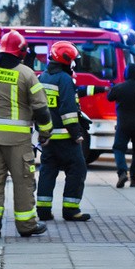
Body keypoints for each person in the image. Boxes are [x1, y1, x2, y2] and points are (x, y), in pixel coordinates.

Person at [0, 29, 51, 239]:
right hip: (17, 140)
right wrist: (45, 132)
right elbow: (41, 108)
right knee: (23, 181)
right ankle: (26, 226)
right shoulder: (26, 74)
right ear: (21, 52)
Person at [35, 41, 92, 222]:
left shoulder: (42, 77)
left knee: (48, 171)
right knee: (77, 168)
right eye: (74, 60)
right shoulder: (65, 79)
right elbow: (68, 110)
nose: (75, 64)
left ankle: (43, 210)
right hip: (66, 137)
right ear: (67, 60)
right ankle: (71, 209)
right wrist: (76, 134)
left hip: (48, 137)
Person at [107, 63, 135, 188]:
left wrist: (113, 87)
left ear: (126, 73)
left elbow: (109, 97)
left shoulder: (120, 87)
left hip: (123, 124)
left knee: (119, 149)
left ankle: (122, 172)